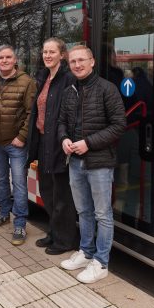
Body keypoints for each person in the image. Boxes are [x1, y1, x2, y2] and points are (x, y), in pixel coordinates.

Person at [57, 45, 126, 284]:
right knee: (83, 211)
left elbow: (119, 125)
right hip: (75, 162)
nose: (77, 65)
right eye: (73, 61)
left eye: (81, 60)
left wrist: (88, 143)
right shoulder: (69, 92)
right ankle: (86, 252)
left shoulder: (107, 89)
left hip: (100, 163)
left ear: (92, 62)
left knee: (102, 214)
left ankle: (101, 262)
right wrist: (64, 139)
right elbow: (61, 122)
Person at [26, 38, 78, 255]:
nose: (47, 55)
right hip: (42, 141)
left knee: (62, 195)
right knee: (47, 191)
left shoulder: (68, 79)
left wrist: (65, 138)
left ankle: (65, 240)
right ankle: (54, 232)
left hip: (59, 143)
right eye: (45, 52)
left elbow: (71, 114)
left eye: (52, 52)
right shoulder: (44, 77)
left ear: (62, 55)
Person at [0, 45, 36, 246]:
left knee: (19, 184)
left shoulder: (26, 82)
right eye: (0, 58)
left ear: (15, 60)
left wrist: (22, 137)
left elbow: (31, 113)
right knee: (0, 179)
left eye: (7, 57)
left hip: (16, 143)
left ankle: (20, 223)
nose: (4, 61)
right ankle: (3, 212)